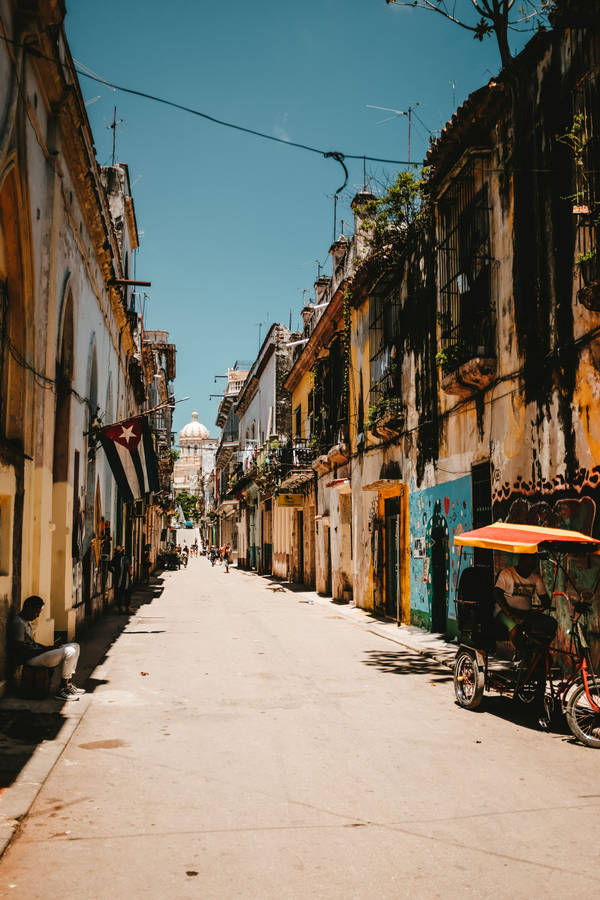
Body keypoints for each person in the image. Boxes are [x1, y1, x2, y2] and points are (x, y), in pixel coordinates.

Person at [9, 596, 85, 701]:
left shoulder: (25, 621)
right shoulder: (18, 623)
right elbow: (21, 650)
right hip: (29, 660)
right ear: (29, 608)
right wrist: (46, 649)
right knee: (70, 651)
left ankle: (68, 684)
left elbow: (31, 644)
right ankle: (62, 689)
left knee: (75, 646)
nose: (38, 615)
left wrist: (48, 648)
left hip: (36, 655)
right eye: (36, 612)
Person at [493, 554, 557, 650]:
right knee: (516, 627)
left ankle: (539, 652)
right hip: (504, 612)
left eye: (532, 566)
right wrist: (510, 614)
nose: (529, 569)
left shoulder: (535, 577)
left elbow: (545, 600)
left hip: (526, 613)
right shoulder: (507, 573)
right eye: (527, 565)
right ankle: (518, 653)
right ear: (520, 562)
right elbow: (497, 595)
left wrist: (540, 609)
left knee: (551, 624)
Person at [111, 546, 133, 614]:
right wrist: (130, 574)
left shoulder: (115, 558)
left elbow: (110, 566)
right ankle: (126, 609)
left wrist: (114, 572)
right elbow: (129, 568)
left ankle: (120, 609)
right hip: (125, 579)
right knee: (127, 594)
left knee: (119, 594)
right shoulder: (125, 558)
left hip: (118, 579)